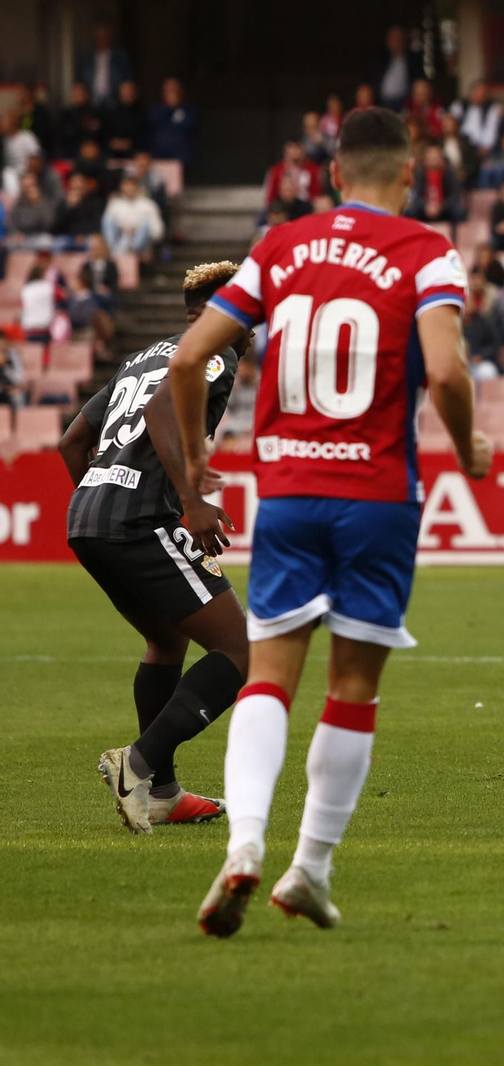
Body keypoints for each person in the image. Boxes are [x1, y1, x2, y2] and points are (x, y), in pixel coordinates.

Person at [166, 107, 492, 938]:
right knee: (352, 688)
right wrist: (469, 449)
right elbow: (447, 372)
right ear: (410, 173)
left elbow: (188, 356)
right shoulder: (426, 251)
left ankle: (244, 844)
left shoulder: (281, 246)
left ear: (335, 172)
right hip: (378, 496)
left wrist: (197, 460)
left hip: (289, 493)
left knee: (269, 678)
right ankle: (309, 867)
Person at [61, 264, 249, 834]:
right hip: (139, 520)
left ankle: (163, 793)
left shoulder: (141, 358)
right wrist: (191, 502)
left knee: (166, 642)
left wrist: (103, 497)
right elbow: (160, 411)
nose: (253, 329)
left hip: (87, 517)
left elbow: (73, 440)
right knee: (241, 651)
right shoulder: (215, 351)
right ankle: (137, 765)